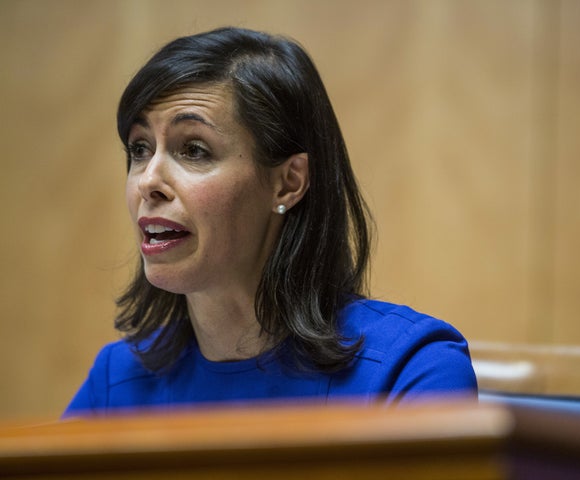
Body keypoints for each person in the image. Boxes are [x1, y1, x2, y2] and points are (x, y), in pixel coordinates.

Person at [63, 27, 477, 416]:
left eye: (194, 150)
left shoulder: (409, 370)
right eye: (139, 149)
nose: (148, 181)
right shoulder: (116, 382)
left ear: (288, 182)